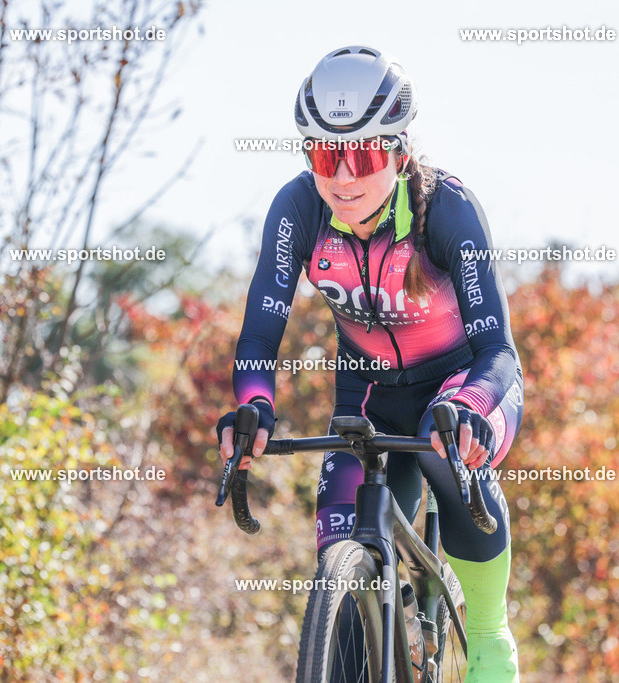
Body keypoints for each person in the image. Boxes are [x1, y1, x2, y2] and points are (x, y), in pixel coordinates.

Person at [217, 45, 524, 682]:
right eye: (326, 155)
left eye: (362, 155)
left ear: (400, 152)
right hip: (369, 393)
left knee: (450, 456)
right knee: (339, 547)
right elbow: (262, 323)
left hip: (462, 385)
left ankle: (491, 639)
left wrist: (469, 409)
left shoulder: (448, 209)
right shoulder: (297, 209)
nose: (342, 177)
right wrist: (254, 405)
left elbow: (499, 351)